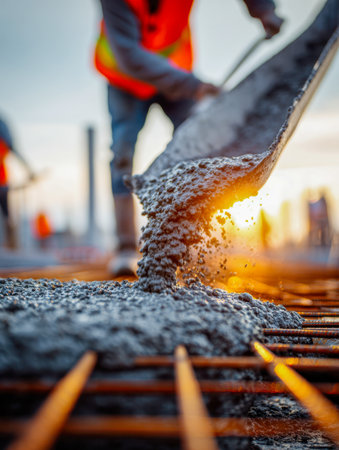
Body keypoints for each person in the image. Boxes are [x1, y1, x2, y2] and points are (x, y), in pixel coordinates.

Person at [94, 0, 283, 276]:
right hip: (126, 79)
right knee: (122, 154)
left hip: (175, 68)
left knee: (199, 144)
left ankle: (195, 244)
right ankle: (125, 248)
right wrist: (194, 87)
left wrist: (263, 8)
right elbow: (129, 55)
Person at [0, 116, 35, 248]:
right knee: (6, 215)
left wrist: (29, 171)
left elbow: (14, 151)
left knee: (7, 215)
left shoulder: (4, 141)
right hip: (3, 184)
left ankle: (10, 244)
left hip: (2, 184)